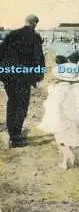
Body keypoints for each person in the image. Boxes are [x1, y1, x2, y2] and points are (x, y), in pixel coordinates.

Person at [37, 62, 79, 169]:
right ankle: (65, 163)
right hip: (73, 118)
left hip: (61, 119)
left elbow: (53, 104)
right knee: (68, 141)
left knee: (60, 141)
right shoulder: (75, 89)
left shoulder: (59, 89)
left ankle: (70, 156)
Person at [0, 14, 45, 148]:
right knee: (21, 105)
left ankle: (12, 134)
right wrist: (38, 76)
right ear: (35, 23)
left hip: (7, 74)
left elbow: (0, 52)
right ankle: (15, 138)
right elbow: (38, 57)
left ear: (25, 22)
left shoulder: (11, 34)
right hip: (23, 76)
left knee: (12, 102)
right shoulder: (35, 36)